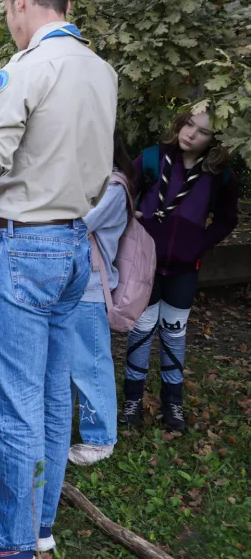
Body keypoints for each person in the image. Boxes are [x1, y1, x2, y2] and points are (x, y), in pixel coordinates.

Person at [0, 0, 118, 556]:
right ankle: (36, 515)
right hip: (72, 244)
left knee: (17, 403)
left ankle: (9, 541)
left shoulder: (30, 67)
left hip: (25, 253)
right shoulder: (99, 69)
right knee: (55, 396)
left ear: (20, 4)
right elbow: (52, 162)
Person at [121, 111, 237, 433]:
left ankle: (172, 402)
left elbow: (228, 218)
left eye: (201, 131)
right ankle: (132, 400)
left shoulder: (219, 174)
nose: (190, 134)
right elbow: (120, 191)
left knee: (173, 332)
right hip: (146, 265)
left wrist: (201, 241)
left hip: (185, 268)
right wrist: (135, 216)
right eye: (188, 124)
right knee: (141, 330)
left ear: (213, 140)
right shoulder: (153, 158)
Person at [67, 134, 133, 466]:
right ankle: (62, 429)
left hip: (90, 288)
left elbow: (74, 225)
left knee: (90, 364)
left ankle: (100, 439)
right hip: (68, 284)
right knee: (67, 364)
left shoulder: (113, 187)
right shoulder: (87, 178)